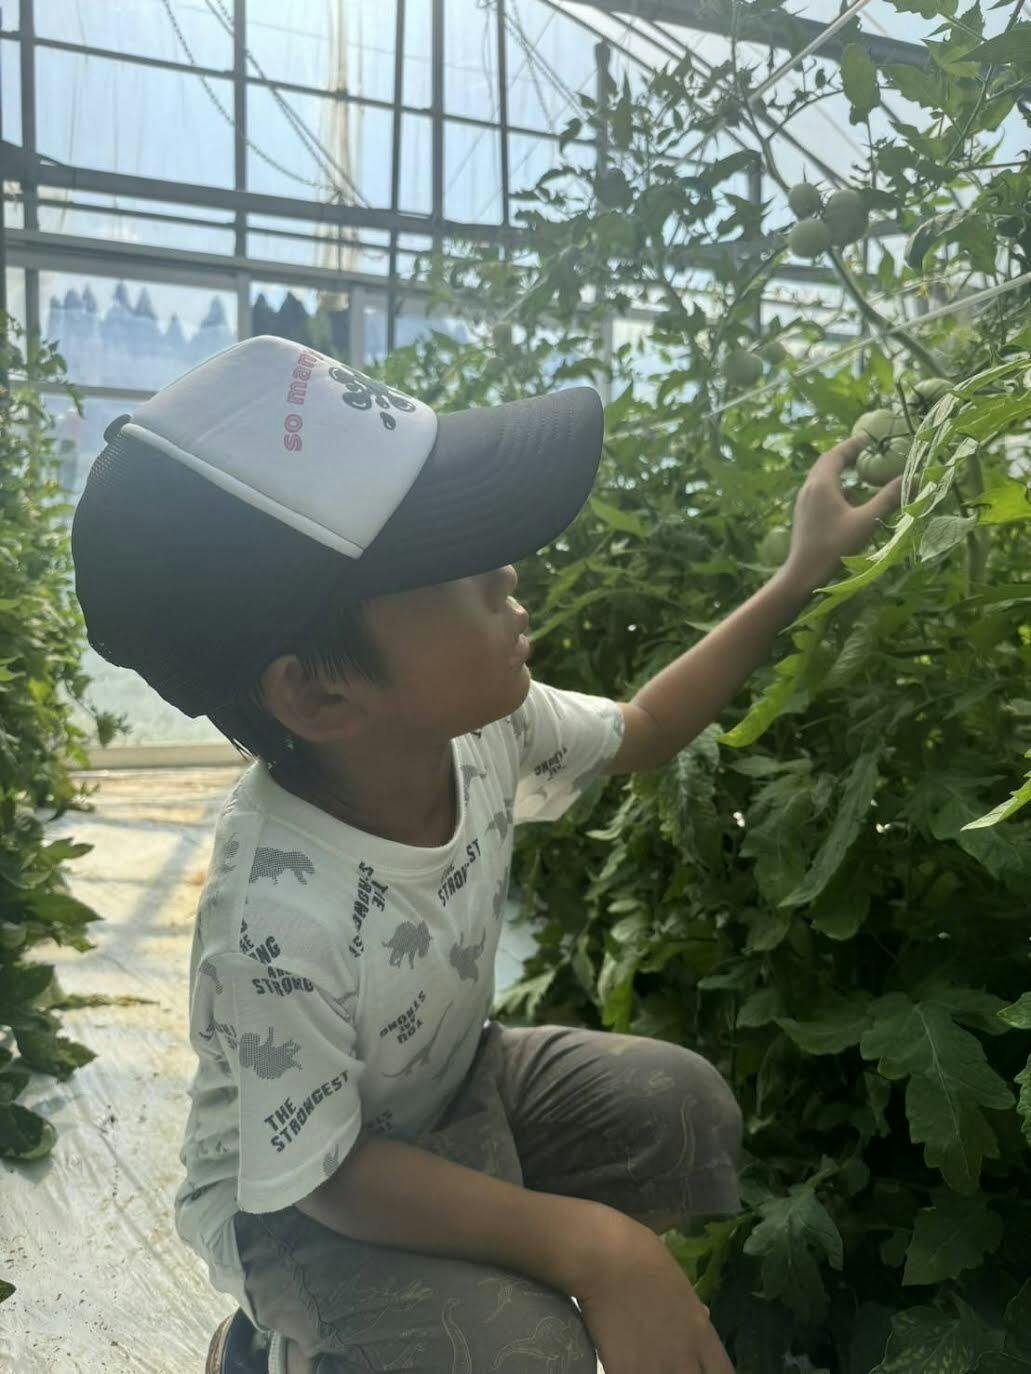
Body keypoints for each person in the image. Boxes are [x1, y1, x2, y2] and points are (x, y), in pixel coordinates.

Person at [70, 335, 902, 1374]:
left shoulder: (479, 729)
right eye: (460, 566)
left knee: (676, 1108)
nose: (509, 573)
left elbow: (644, 729)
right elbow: (329, 1174)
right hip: (298, 1198)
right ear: (319, 693)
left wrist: (798, 572)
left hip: (451, 1090)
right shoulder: (271, 920)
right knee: (522, 1354)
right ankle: (276, 1344)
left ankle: (452, 1296)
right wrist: (592, 1248)